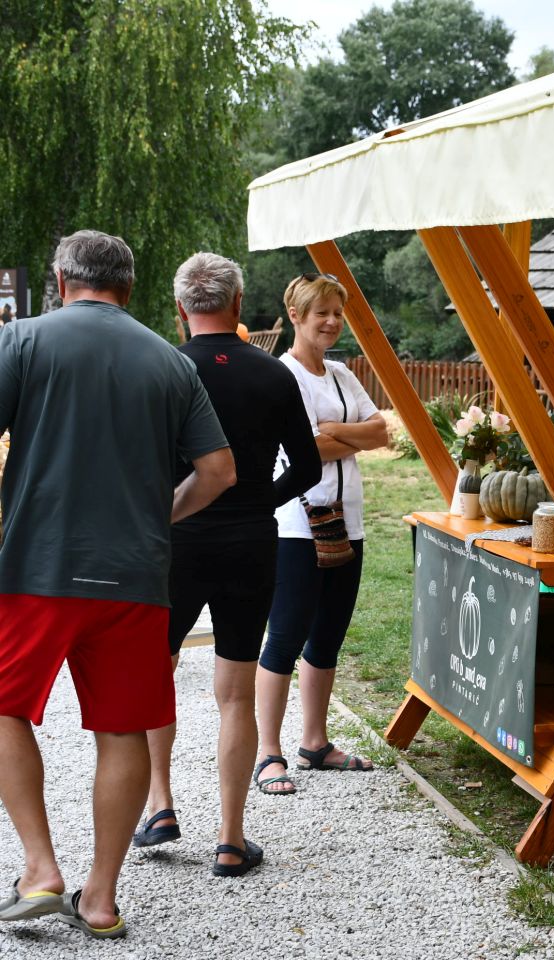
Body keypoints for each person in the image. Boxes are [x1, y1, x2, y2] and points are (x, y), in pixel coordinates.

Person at [0, 231, 234, 938]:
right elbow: (220, 470)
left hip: (37, 567)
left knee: (5, 706)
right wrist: (158, 515)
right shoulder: (169, 362)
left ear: (64, 281)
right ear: (130, 290)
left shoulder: (23, 341)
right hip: (134, 576)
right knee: (123, 727)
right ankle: (100, 899)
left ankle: (40, 869)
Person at [132, 254, 321, 875]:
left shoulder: (162, 369)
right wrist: (255, 502)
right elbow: (309, 467)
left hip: (175, 543)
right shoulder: (271, 373)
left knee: (156, 677)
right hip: (249, 544)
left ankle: (160, 805)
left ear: (180, 308)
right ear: (238, 304)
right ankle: (231, 840)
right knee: (236, 695)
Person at [253, 273, 388, 796]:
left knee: (327, 636)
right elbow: (309, 453)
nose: (331, 322)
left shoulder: (341, 375)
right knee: (285, 636)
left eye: (337, 312)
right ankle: (268, 752)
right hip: (295, 524)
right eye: (321, 314)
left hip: (346, 521)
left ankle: (314, 741)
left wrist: (333, 433)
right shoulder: (281, 376)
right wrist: (333, 439)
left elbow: (381, 431)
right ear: (296, 316)